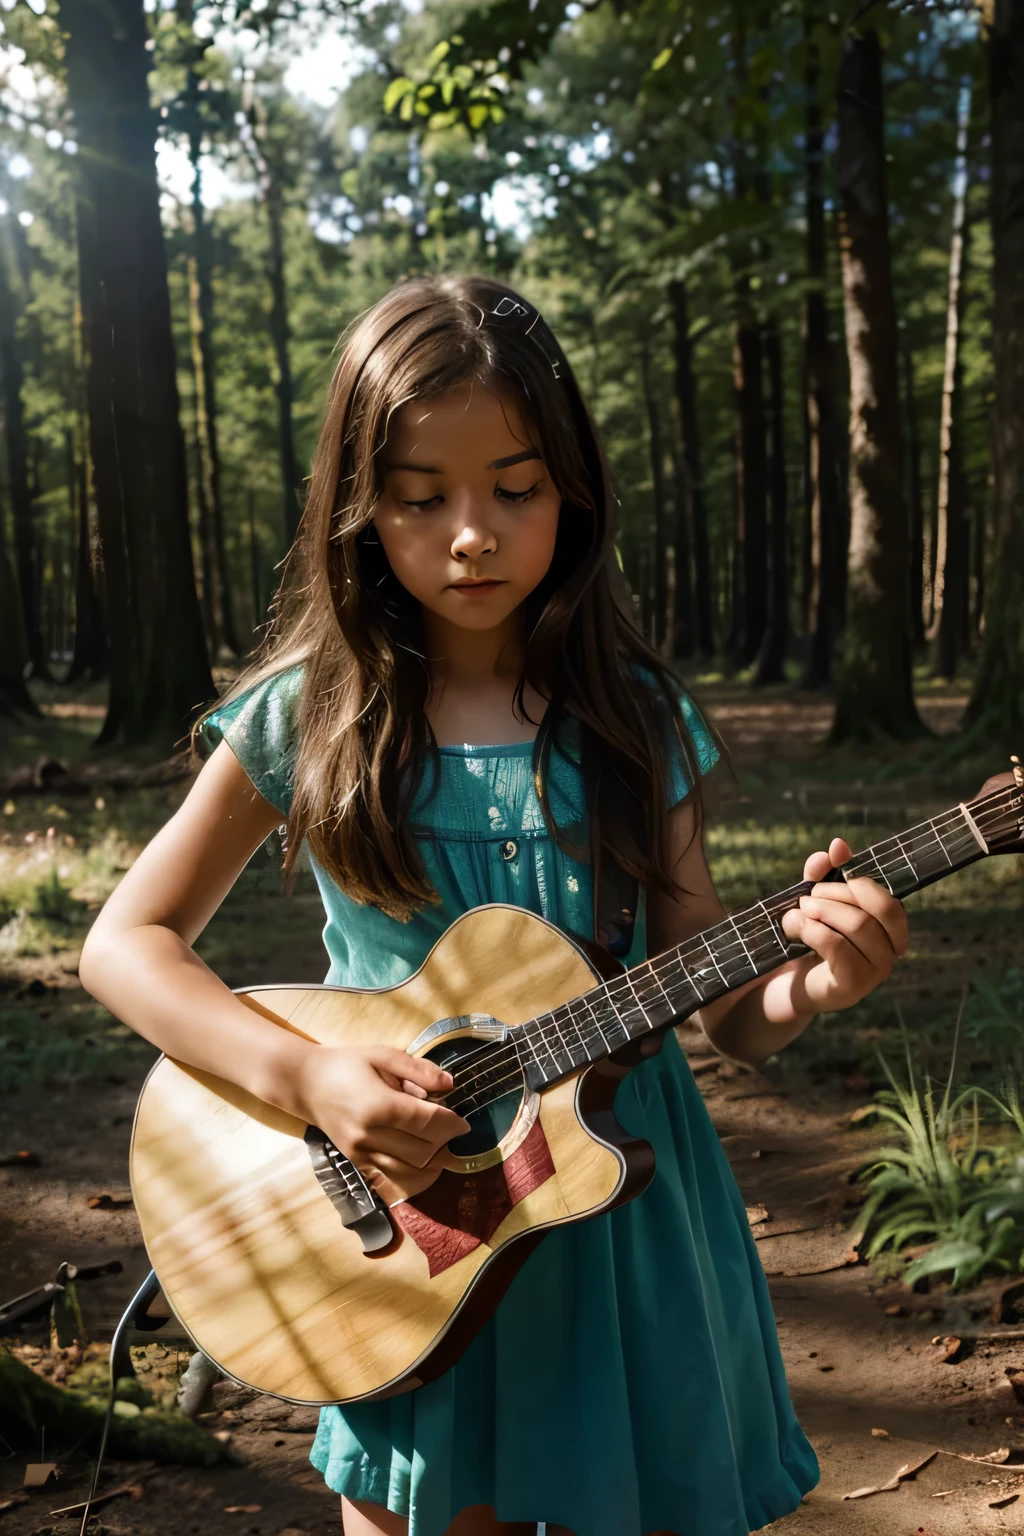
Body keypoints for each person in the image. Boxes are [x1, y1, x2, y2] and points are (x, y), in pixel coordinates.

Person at [79, 275, 908, 1536]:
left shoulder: (633, 720)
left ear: (570, 490)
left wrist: (812, 980)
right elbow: (125, 945)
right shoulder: (310, 717)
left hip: (618, 1226)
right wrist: (308, 1083)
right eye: (421, 499)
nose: (471, 533)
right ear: (358, 510)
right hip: (406, 1228)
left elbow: (728, 1010)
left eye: (513, 490)